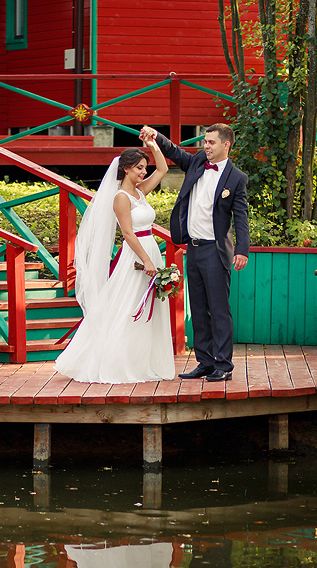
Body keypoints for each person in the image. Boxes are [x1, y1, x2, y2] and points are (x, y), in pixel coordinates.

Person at [53, 139, 176, 383]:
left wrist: (153, 144)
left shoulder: (140, 192)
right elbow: (128, 233)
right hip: (136, 256)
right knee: (127, 305)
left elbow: (162, 170)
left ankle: (143, 361)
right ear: (126, 169)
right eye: (139, 168)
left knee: (148, 307)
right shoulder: (121, 197)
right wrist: (147, 261)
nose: (144, 172)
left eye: (144, 167)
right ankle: (116, 360)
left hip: (150, 249)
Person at [139, 123, 249, 382]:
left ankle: (224, 365)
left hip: (216, 250)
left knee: (219, 310)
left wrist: (242, 250)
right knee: (198, 309)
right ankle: (205, 362)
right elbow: (176, 153)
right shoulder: (199, 161)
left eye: (211, 142)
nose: (206, 146)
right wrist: (157, 137)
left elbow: (241, 218)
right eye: (205, 141)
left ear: (226, 145)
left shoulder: (236, 178)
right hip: (194, 249)